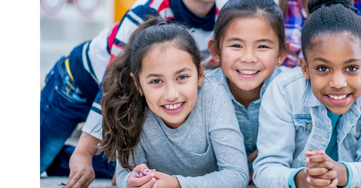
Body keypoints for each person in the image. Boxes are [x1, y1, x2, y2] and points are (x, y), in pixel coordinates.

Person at [37, 0, 241, 188]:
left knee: (104, 166)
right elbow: (112, 82)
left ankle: (60, 157)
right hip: (78, 83)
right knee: (41, 155)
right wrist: (85, 151)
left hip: (130, 89)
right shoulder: (149, 9)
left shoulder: (219, 27)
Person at [253, 0, 361, 188]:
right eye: (322, 68)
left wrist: (339, 172)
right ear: (304, 68)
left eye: (351, 68)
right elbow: (266, 169)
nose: (338, 83)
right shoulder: (284, 91)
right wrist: (304, 179)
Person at [98, 17, 249, 188]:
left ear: (200, 74)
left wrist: (178, 184)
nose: (171, 94)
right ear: (138, 84)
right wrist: (133, 182)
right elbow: (125, 174)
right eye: (156, 81)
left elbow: (237, 175)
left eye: (182, 77)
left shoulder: (213, 96)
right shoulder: (132, 108)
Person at [204, 0, 290, 183]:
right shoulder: (200, 93)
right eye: (236, 45)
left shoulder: (293, 91)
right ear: (216, 51)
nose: (249, 58)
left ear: (281, 54)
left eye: (262, 47)